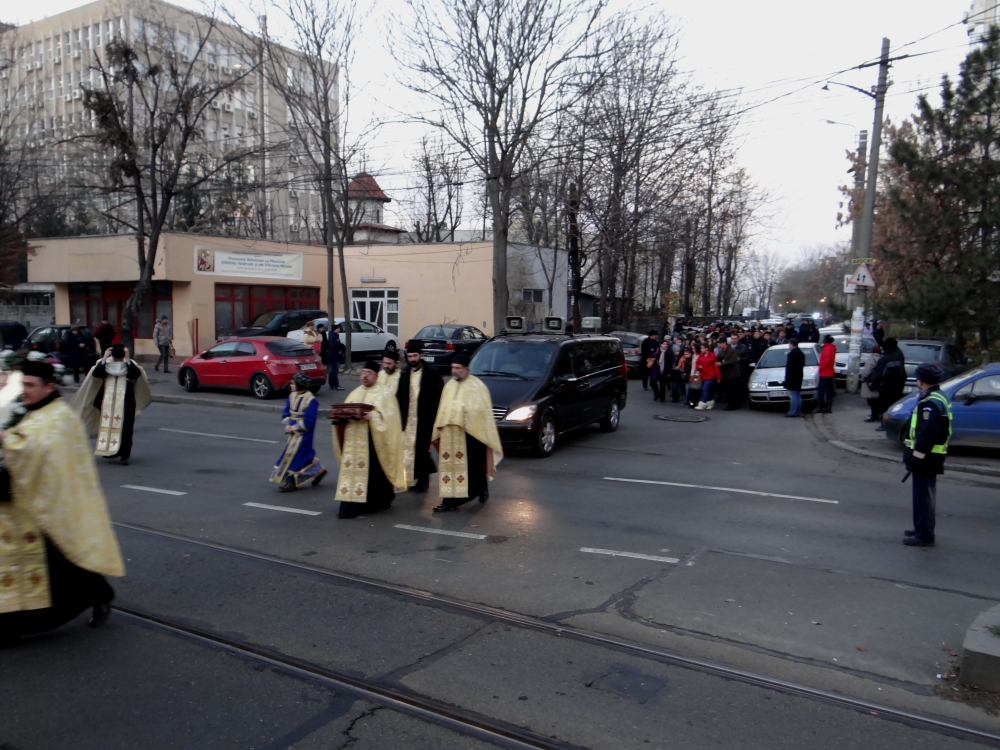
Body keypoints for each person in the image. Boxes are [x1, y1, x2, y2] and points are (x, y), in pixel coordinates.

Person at [0, 360, 125, 644]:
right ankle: (98, 592)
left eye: (31, 385)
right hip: (28, 500)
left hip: (47, 505)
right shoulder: (36, 410)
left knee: (53, 563)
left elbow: (33, 447)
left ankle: (14, 626)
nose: (25, 390)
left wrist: (6, 439)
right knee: (56, 562)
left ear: (49, 387)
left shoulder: (58, 417)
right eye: (23, 384)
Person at [333, 361, 406, 519]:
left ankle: (378, 501)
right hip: (353, 442)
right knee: (352, 474)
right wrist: (340, 417)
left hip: (374, 443)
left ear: (376, 376)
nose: (364, 376)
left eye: (368, 373)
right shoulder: (355, 393)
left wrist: (373, 416)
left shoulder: (385, 394)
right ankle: (349, 507)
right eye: (363, 373)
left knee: (376, 473)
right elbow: (344, 411)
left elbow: (391, 419)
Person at [431, 352, 503, 512]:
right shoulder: (449, 386)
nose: (454, 371)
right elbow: (442, 409)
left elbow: (482, 412)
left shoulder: (478, 387)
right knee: (448, 468)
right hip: (449, 436)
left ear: (466, 369)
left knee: (472, 469)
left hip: (470, 436)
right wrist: (439, 429)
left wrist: (464, 417)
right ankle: (448, 500)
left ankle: (476, 491)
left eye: (458, 368)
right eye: (453, 368)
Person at [71, 344, 152, 466]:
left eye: (120, 359)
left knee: (126, 429)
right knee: (108, 426)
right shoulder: (105, 363)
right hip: (107, 401)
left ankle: (124, 455)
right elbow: (96, 374)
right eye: (116, 359)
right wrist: (104, 358)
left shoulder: (130, 363)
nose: (118, 361)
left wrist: (127, 359)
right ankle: (111, 450)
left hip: (126, 401)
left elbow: (136, 375)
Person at [902, 363, 952, 547]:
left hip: (926, 456)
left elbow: (927, 433)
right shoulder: (938, 396)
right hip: (931, 455)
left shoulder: (930, 403)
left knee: (923, 496)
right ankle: (921, 527)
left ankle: (924, 534)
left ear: (921, 381)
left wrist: (917, 456)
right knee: (924, 493)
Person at [396, 341, 445, 493]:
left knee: (423, 451)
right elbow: (399, 396)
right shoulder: (404, 373)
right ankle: (412, 479)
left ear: (421, 356)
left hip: (425, 419)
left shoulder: (431, 372)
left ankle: (424, 481)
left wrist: (435, 418)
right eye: (410, 356)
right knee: (409, 451)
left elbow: (440, 395)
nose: (412, 359)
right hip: (408, 419)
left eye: (415, 356)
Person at [270, 372, 326, 492]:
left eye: (293, 383)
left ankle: (291, 482)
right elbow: (286, 412)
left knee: (295, 456)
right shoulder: (291, 396)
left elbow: (309, 421)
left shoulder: (311, 400)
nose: (290, 385)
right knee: (305, 455)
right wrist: (287, 424)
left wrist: (294, 428)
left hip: (304, 434)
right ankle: (319, 471)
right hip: (292, 431)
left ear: (299, 385)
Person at [871, 337, 906, 431]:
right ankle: (894, 425)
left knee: (884, 407)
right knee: (895, 406)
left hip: (886, 387)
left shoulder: (884, 359)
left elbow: (879, 375)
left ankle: (884, 425)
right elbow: (902, 371)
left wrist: (873, 385)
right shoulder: (899, 355)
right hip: (898, 385)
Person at [693, 341, 720, 410]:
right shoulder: (700, 355)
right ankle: (710, 402)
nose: (701, 349)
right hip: (703, 375)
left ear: (706, 348)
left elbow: (716, 366)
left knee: (705, 389)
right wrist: (699, 367)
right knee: (706, 390)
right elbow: (697, 364)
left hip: (710, 375)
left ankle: (703, 403)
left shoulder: (712, 356)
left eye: (702, 348)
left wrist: (718, 377)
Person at [783, 338, 805, 418]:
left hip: (792, 377)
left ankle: (792, 412)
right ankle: (798, 411)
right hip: (799, 375)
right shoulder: (801, 353)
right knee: (797, 394)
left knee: (793, 395)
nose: (789, 346)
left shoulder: (792, 354)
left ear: (792, 344)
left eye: (789, 344)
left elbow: (789, 367)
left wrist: (787, 379)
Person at [861, 345, 882, 422]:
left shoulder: (871, 359)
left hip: (870, 381)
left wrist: (863, 378)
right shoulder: (882, 358)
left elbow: (866, 371)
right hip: (879, 381)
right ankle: (877, 415)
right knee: (877, 400)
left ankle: (874, 416)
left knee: (871, 400)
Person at [717, 338, 740, 410]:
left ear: (724, 343)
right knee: (727, 390)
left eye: (720, 344)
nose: (719, 346)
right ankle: (729, 403)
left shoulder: (732, 350)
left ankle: (731, 405)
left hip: (733, 374)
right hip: (725, 374)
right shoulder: (721, 351)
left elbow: (733, 361)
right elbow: (719, 358)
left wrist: (721, 364)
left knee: (731, 390)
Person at [817, 334, 837, 414]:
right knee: (828, 390)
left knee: (821, 390)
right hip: (829, 372)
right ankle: (828, 407)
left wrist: (820, 367)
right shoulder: (831, 348)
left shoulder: (827, 348)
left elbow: (825, 361)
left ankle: (820, 406)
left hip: (825, 372)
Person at [328, 323, 345, 391]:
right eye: (338, 328)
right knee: (334, 371)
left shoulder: (334, 335)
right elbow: (332, 346)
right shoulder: (333, 336)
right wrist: (339, 351)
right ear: (335, 329)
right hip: (334, 356)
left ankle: (331, 384)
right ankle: (336, 385)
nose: (339, 329)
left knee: (332, 370)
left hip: (334, 356)